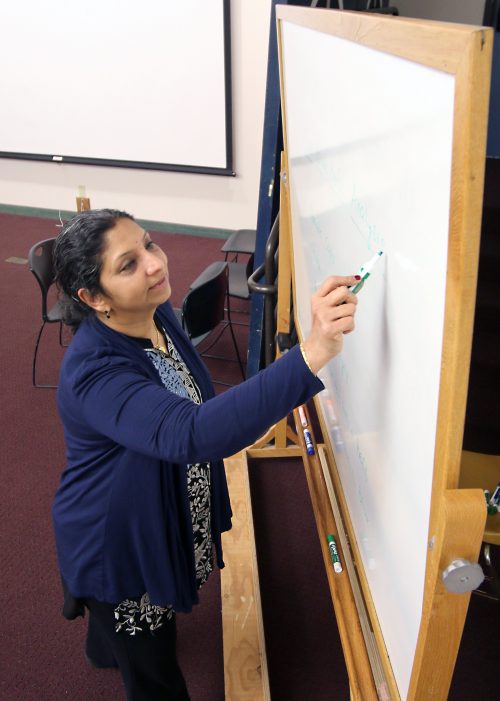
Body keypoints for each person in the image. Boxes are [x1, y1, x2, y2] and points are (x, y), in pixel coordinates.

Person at [52, 208, 359, 701]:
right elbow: (192, 431)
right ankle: (115, 639)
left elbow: (198, 402)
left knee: (129, 631)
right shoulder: (95, 372)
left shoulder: (154, 313)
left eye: (149, 245)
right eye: (127, 265)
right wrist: (312, 353)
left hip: (150, 501)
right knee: (153, 668)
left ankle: (105, 645)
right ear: (93, 298)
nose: (155, 265)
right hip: (117, 538)